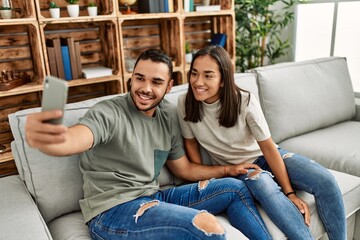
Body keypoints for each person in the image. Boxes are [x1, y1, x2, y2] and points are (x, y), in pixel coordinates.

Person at [25, 49, 273, 240]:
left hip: (154, 197)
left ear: (169, 86)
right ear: (131, 79)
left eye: (156, 82)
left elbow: (184, 170)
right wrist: (53, 140)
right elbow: (76, 138)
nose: (145, 88)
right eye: (139, 79)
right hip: (112, 211)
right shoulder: (109, 113)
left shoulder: (167, 114)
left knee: (235, 188)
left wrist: (229, 170)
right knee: (206, 225)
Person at [177, 45, 346, 240]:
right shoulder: (185, 103)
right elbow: (190, 143)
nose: (198, 82)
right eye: (195, 74)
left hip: (266, 156)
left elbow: (268, 147)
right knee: (263, 183)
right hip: (240, 168)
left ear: (223, 80)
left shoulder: (244, 101)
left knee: (325, 180)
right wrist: (204, 179)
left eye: (208, 76)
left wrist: (290, 193)